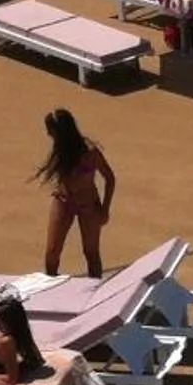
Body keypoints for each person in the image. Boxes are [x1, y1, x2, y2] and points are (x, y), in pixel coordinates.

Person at [36, 109, 116, 279]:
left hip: (89, 205)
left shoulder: (91, 152)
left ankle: (94, 293)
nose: (48, 134)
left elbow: (110, 178)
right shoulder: (61, 148)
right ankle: (50, 287)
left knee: (91, 252)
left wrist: (105, 209)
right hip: (64, 201)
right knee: (52, 252)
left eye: (51, 130)